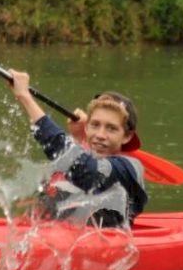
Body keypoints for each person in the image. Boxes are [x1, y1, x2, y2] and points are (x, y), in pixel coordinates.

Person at [8, 69, 148, 227]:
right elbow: (56, 190)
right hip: (55, 235)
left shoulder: (130, 168)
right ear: (87, 128)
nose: (100, 135)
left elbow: (84, 169)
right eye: (95, 125)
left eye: (111, 128)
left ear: (127, 136)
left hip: (103, 245)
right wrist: (77, 139)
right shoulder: (85, 154)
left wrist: (26, 98)